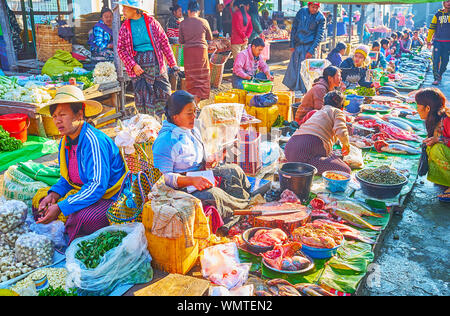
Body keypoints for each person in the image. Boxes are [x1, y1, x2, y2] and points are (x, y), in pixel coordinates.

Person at [34, 86, 126, 244]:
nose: (57, 120)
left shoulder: (94, 141)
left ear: (79, 113)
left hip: (110, 196)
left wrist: (62, 207)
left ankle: (71, 231)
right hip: (83, 190)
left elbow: (97, 186)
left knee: (83, 218)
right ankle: (63, 223)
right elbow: (66, 178)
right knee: (40, 200)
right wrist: (54, 195)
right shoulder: (65, 141)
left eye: (62, 114)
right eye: (54, 116)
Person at [152, 90, 251, 234]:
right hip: (179, 187)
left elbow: (199, 156)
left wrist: (209, 160)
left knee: (233, 170)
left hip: (197, 174)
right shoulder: (166, 140)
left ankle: (242, 205)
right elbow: (162, 179)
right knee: (213, 195)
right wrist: (191, 180)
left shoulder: (192, 129)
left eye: (195, 112)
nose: (194, 116)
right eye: (189, 113)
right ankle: (244, 207)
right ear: (175, 116)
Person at [117, 0, 178, 118]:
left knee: (164, 93)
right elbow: (121, 49)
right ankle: (148, 126)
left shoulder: (151, 22)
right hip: (138, 68)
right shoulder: (125, 27)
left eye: (125, 8)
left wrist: (172, 63)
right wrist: (133, 65)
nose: (123, 10)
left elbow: (164, 42)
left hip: (157, 64)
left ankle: (167, 122)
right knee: (143, 98)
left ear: (135, 9)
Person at [285, 90, 351, 175]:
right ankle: (304, 166)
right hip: (304, 154)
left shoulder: (318, 112)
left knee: (331, 157)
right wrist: (346, 145)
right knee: (345, 170)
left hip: (289, 149)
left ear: (324, 104)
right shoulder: (337, 111)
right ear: (342, 108)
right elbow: (341, 131)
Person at [415, 88, 450, 202]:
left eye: (418, 105)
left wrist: (439, 139)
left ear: (428, 108)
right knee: (430, 147)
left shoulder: (447, 119)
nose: (416, 109)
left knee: (437, 149)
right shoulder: (436, 119)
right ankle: (445, 181)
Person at [283, 2, 325, 93]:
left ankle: (306, 91)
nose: (314, 9)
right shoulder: (301, 12)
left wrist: (311, 50)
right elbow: (294, 28)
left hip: (309, 47)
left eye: (316, 8)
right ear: (309, 6)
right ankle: (292, 88)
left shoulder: (321, 18)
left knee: (307, 69)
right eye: (313, 7)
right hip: (298, 45)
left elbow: (319, 36)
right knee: (294, 67)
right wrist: (292, 44)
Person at [179, 1, 213, 103]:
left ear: (188, 11)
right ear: (198, 11)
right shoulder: (204, 21)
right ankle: (199, 99)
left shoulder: (182, 23)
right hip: (201, 51)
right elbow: (210, 38)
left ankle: (193, 100)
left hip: (188, 52)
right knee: (202, 74)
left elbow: (181, 41)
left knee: (191, 76)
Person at [427, 0, 450, 85]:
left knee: (445, 61)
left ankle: (440, 74)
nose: (449, 3)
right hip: (437, 41)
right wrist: (428, 40)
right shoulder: (437, 15)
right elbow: (432, 28)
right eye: (447, 1)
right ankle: (436, 77)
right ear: (444, 3)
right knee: (435, 60)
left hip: (448, 43)